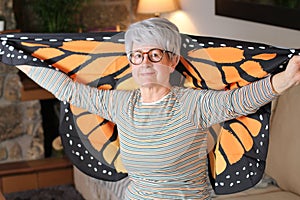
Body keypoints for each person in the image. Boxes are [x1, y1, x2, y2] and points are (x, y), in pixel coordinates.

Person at [17, 18, 300, 199]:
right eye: (136, 56)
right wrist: (15, 56)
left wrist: (284, 80)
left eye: (154, 54)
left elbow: (239, 100)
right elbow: (67, 90)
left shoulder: (193, 103)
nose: (145, 64)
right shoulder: (121, 103)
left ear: (173, 60)